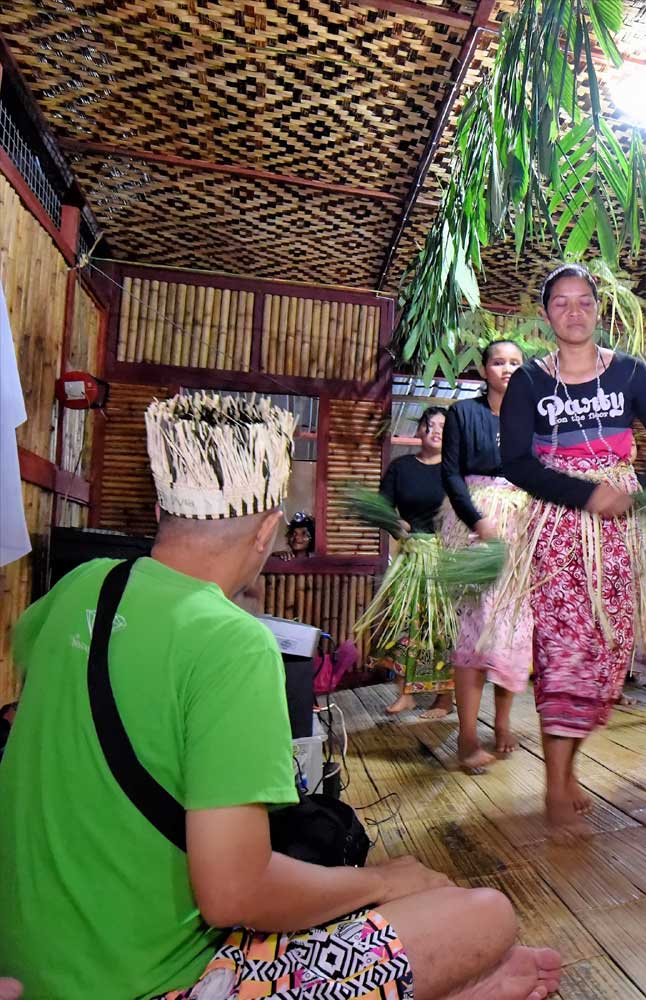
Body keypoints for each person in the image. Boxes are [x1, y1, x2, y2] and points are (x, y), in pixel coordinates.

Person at [0, 394, 559, 1000]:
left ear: (162, 506)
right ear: (270, 528)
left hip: (26, 963)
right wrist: (379, 883)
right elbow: (234, 896)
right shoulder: (234, 644)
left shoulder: (85, 582)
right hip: (154, 983)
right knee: (484, 916)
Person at [500, 263, 646, 842]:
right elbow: (518, 464)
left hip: (616, 537)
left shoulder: (631, 373)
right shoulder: (529, 381)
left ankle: (568, 767)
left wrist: (641, 495)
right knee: (563, 651)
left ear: (599, 310)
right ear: (546, 314)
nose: (573, 313)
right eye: (561, 304)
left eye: (583, 303)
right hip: (557, 531)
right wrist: (586, 493)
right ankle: (555, 783)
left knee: (604, 652)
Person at [440, 340, 534, 773]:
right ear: (484, 369)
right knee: (474, 635)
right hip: (476, 529)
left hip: (519, 531)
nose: (508, 369)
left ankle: (501, 725)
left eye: (516, 363)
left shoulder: (532, 417)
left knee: (511, 631)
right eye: (499, 362)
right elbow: (451, 475)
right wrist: (478, 521)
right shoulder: (463, 413)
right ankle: (467, 736)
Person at [380, 406, 455, 718]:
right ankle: (407, 692)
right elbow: (381, 506)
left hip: (444, 558)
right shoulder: (401, 468)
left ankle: (444, 699)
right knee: (403, 620)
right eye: (430, 424)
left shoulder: (454, 470)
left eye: (443, 426)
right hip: (410, 557)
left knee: (442, 627)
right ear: (419, 430)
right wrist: (395, 524)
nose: (436, 430)